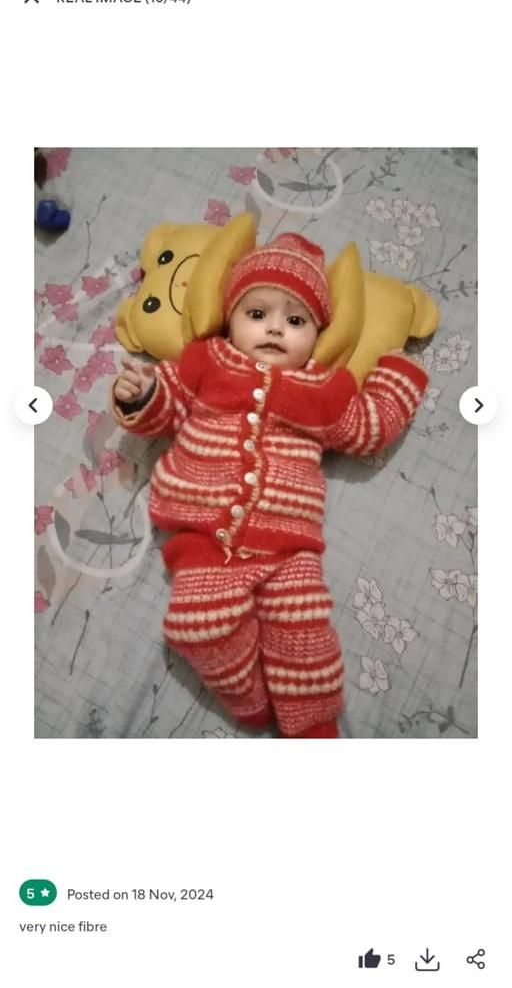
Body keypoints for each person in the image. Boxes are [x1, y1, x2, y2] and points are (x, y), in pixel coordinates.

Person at [111, 233, 428, 737]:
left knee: (304, 637)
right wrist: (142, 394)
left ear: (318, 335)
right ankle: (250, 699)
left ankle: (313, 728)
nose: (276, 327)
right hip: (204, 539)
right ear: (230, 317)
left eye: (296, 321)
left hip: (289, 548)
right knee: (198, 624)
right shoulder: (205, 361)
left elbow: (366, 429)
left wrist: (396, 373)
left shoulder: (323, 388)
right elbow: (167, 406)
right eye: (257, 313)